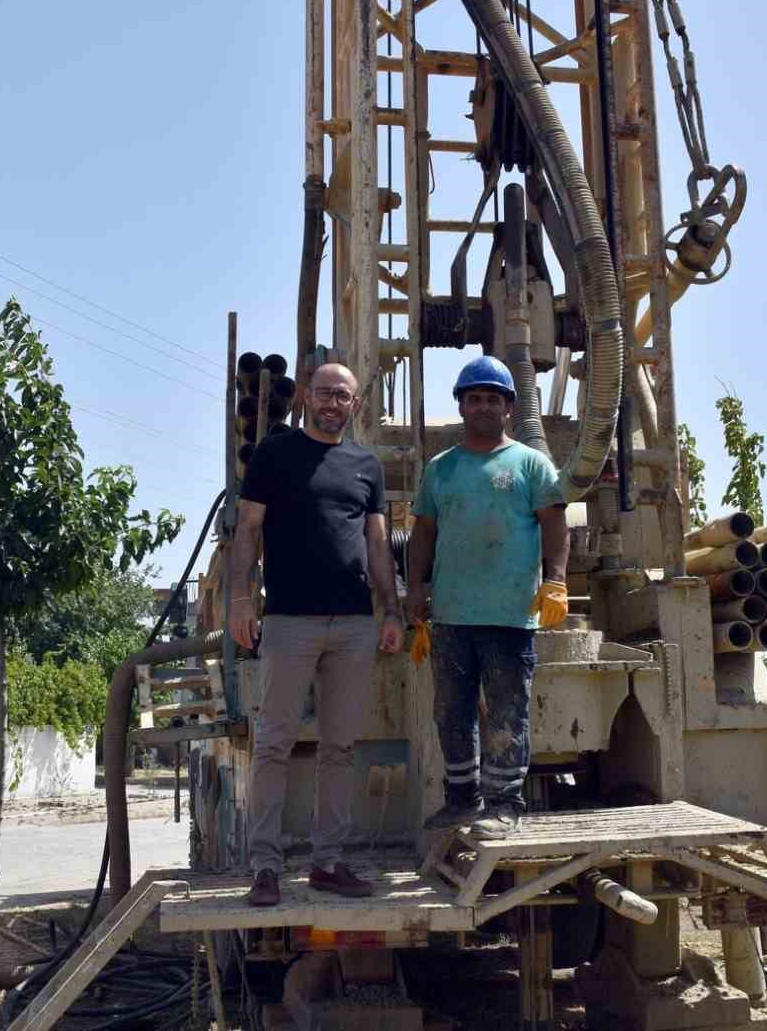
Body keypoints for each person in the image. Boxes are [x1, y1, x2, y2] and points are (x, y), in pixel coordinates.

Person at [230, 362, 404, 906]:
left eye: (344, 396)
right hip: (288, 622)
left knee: (339, 747)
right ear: (306, 396)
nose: (333, 403)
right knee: (274, 744)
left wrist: (392, 611)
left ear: (356, 405)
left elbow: (378, 546)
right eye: (325, 393)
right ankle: (265, 867)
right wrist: (241, 599)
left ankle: (328, 861)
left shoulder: (366, 466)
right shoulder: (274, 455)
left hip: (353, 624)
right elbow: (247, 531)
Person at [406, 355, 570, 837]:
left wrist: (555, 580)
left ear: (508, 409)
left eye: (491, 398)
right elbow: (423, 534)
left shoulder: (531, 465)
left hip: (511, 616)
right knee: (451, 714)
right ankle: (461, 801)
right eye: (473, 398)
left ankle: (504, 805)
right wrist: (415, 589)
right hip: (452, 617)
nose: (481, 406)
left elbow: (556, 524)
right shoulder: (440, 470)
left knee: (505, 712)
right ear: (460, 407)